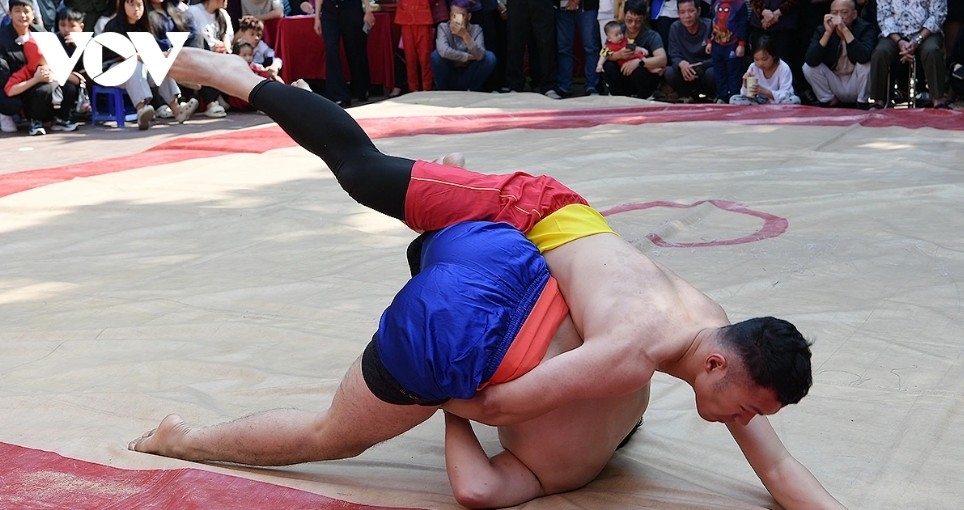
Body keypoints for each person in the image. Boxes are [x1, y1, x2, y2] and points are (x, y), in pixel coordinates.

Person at [129, 47, 845, 510]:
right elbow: (496, 406)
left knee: (411, 230)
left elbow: (779, 472)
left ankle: (433, 257)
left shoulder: (713, 326)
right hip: (523, 218)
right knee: (363, 171)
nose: (746, 423)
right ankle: (233, 74)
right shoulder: (636, 345)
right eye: (750, 408)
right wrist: (432, 391)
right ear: (719, 364)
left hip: (532, 242)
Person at [102, 0, 199, 130]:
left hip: (141, 68)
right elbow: (125, 55)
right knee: (134, 64)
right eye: (131, 4)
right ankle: (141, 110)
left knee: (158, 64)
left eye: (139, 5)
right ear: (122, 6)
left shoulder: (145, 26)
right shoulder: (113, 26)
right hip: (113, 69)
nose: (136, 9)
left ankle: (177, 110)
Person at [0, 0, 77, 135]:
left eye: (26, 11)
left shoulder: (42, 33)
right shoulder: (2, 38)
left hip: (44, 77)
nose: (22, 15)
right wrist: (33, 77)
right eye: (17, 11)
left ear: (33, 13)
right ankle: (31, 120)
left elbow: (57, 60)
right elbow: (4, 76)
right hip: (14, 82)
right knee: (13, 102)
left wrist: (53, 73)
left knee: (69, 85)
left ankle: (61, 119)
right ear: (9, 13)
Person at [870, 0, 949, 108]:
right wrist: (899, 41)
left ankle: (937, 99)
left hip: (926, 33)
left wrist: (917, 40)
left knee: (932, 50)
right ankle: (878, 100)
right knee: (881, 52)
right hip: (894, 35)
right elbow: (884, 15)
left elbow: (937, 14)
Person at [802, 0, 876, 108]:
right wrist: (827, 33)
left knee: (866, 64)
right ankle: (829, 100)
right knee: (807, 67)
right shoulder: (822, 30)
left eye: (844, 12)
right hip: (835, 80)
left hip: (855, 80)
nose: (839, 17)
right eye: (834, 13)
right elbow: (811, 60)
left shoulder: (865, 28)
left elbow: (864, 57)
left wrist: (845, 31)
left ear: (854, 14)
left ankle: (862, 102)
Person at [313, 0, 375, 107]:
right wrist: (317, 17)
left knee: (355, 48)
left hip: (350, 7)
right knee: (331, 49)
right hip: (329, 9)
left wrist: (368, 10)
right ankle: (338, 95)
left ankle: (361, 88)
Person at [601, 0, 667, 98]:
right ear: (624, 15)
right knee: (608, 66)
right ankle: (617, 95)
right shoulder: (617, 31)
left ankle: (644, 96)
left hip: (642, 78)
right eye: (629, 20)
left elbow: (662, 59)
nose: (633, 25)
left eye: (638, 21)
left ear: (644, 18)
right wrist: (618, 55)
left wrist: (639, 62)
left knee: (640, 71)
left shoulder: (651, 35)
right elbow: (605, 53)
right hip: (622, 75)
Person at [431, 0, 496, 91]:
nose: (457, 19)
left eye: (461, 16)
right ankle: (443, 90)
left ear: (468, 17)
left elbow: (481, 54)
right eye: (454, 15)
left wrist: (465, 36)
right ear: (450, 16)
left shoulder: (476, 29)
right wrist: (467, 57)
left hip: (468, 73)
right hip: (450, 72)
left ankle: (472, 89)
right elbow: (444, 51)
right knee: (435, 56)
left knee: (490, 57)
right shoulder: (443, 27)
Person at [503, 0, 557, 96]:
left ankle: (548, 85)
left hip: (542, 4)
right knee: (515, 43)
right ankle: (514, 84)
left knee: (546, 43)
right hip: (517, 4)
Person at [663, 0, 714, 100]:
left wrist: (702, 66)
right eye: (682, 12)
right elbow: (674, 54)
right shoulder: (675, 28)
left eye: (691, 11)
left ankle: (711, 97)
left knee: (713, 73)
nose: (687, 16)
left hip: (704, 70)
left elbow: (717, 56)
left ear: (698, 11)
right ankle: (686, 96)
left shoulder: (709, 26)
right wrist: (681, 64)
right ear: (678, 14)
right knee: (669, 72)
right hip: (685, 71)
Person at [730, 34, 800, 103]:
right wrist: (745, 85)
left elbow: (786, 93)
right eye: (756, 59)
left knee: (794, 100)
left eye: (764, 59)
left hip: (777, 104)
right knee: (734, 99)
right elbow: (746, 95)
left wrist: (766, 92)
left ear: (773, 56)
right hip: (758, 102)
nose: (760, 63)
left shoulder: (783, 68)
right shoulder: (753, 67)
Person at [555, 0, 602, 97]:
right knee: (564, 48)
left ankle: (592, 85)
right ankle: (564, 85)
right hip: (562, 7)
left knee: (591, 46)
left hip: (587, 7)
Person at [708, 0, 747, 102]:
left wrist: (741, 44)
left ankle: (735, 96)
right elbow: (712, 21)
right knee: (719, 73)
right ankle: (722, 97)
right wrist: (709, 41)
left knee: (733, 73)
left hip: (733, 44)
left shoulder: (740, 4)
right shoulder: (715, 2)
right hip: (717, 44)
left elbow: (743, 24)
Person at [395, 0, 434, 92]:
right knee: (410, 57)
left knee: (425, 57)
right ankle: (413, 89)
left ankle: (427, 88)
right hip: (406, 15)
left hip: (423, 15)